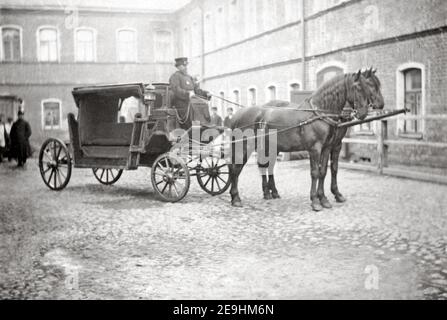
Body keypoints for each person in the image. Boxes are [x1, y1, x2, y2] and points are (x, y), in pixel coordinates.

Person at [169, 57, 211, 129]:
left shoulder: (189, 77)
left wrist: (206, 93)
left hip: (191, 103)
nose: (185, 68)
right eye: (183, 66)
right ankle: (196, 126)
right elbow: (176, 89)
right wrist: (188, 94)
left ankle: (203, 124)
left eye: (186, 66)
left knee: (203, 103)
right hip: (181, 105)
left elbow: (196, 90)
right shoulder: (175, 77)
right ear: (178, 67)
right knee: (194, 106)